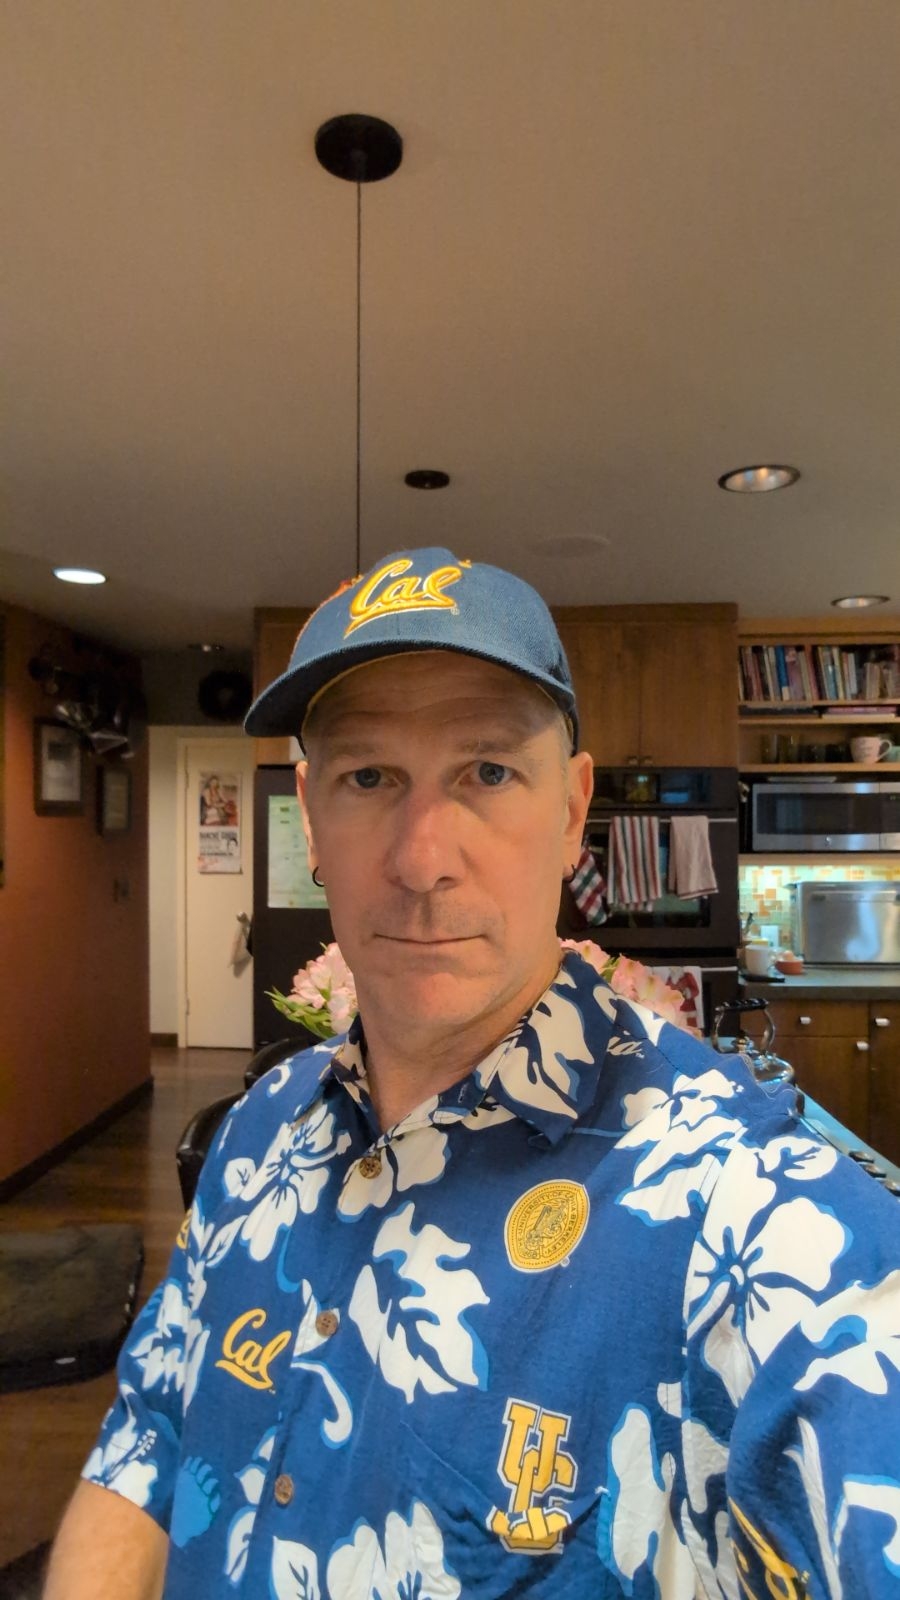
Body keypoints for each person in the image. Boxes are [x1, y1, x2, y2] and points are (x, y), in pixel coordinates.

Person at [47, 548, 900, 1599]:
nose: (422, 859)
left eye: (488, 772)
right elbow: (145, 1448)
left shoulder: (752, 1213)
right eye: (369, 777)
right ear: (310, 817)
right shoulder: (262, 1124)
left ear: (573, 810)